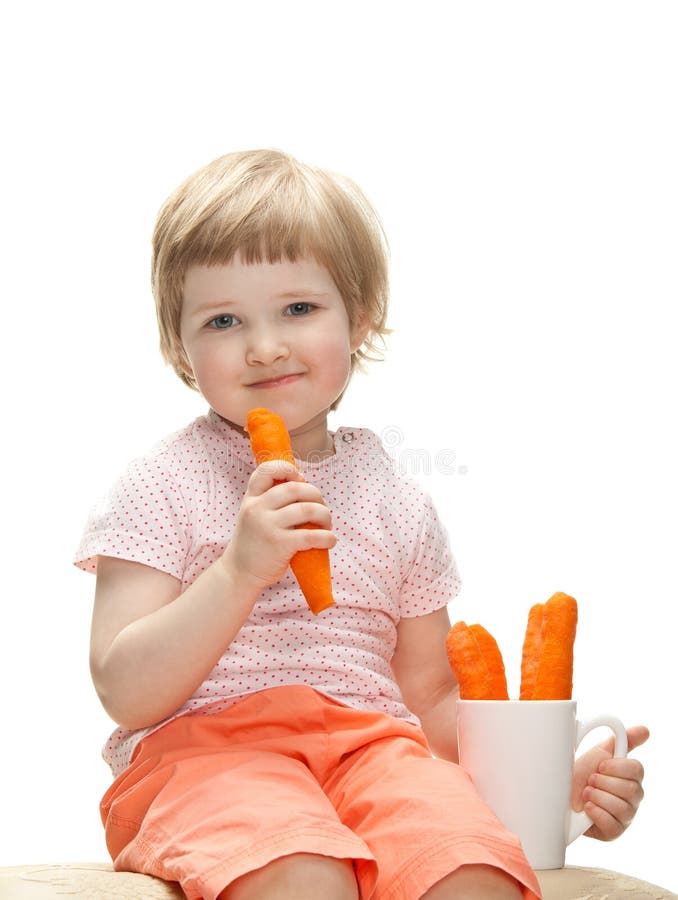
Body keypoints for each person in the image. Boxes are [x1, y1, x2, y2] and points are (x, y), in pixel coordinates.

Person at [75, 149, 648, 900]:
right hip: (205, 757)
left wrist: (545, 786)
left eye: (299, 309)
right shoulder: (163, 482)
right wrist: (238, 571)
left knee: (473, 870)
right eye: (223, 320)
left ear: (361, 317)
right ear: (181, 350)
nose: (266, 344)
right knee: (303, 875)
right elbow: (124, 688)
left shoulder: (396, 498)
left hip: (374, 753)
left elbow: (433, 699)